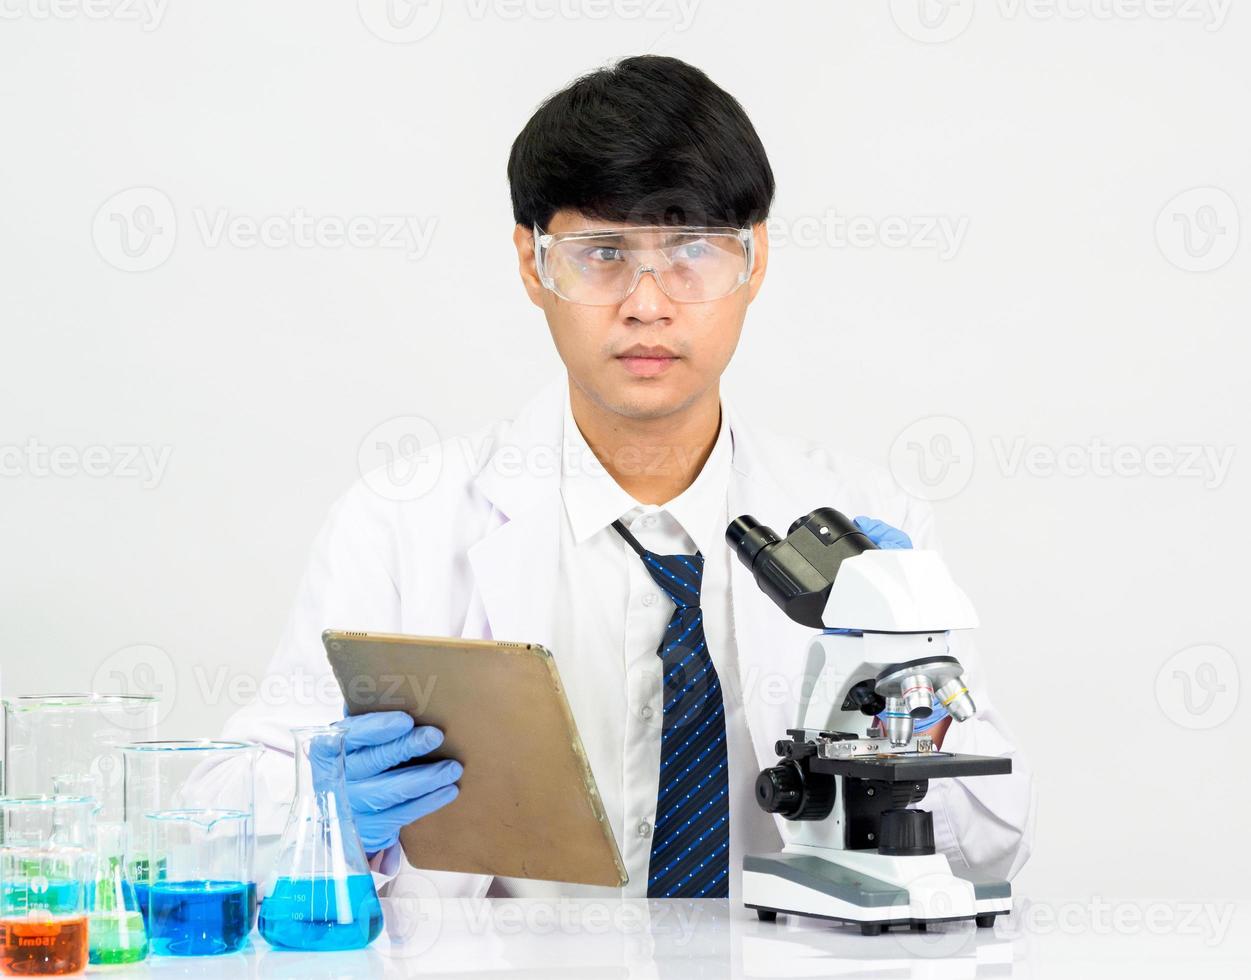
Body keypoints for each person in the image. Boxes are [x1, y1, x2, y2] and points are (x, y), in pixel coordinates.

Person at [221, 54, 1034, 900]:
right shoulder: (400, 523)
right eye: (600, 252)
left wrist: (905, 690)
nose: (647, 303)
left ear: (754, 260)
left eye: (692, 251)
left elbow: (994, 846)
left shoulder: (870, 519)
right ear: (533, 264)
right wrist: (319, 814)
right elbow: (224, 817)